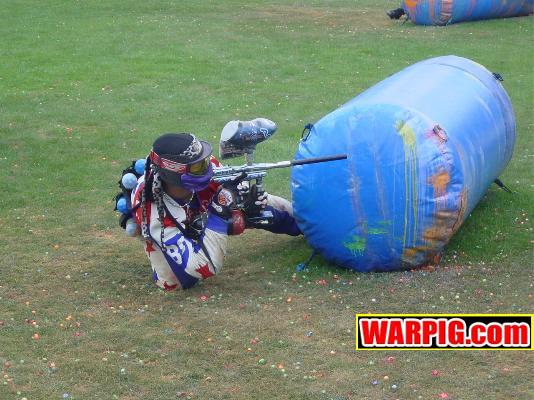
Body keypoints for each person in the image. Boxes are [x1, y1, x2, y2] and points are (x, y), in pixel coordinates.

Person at [127, 131, 301, 290]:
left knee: (251, 212)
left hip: (193, 209)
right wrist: (219, 211)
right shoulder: (151, 209)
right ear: (174, 173)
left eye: (205, 160)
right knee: (177, 282)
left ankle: (305, 227)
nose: (208, 167)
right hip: (165, 223)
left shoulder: (209, 169)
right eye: (198, 166)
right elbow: (204, 265)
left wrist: (248, 204)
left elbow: (238, 192)